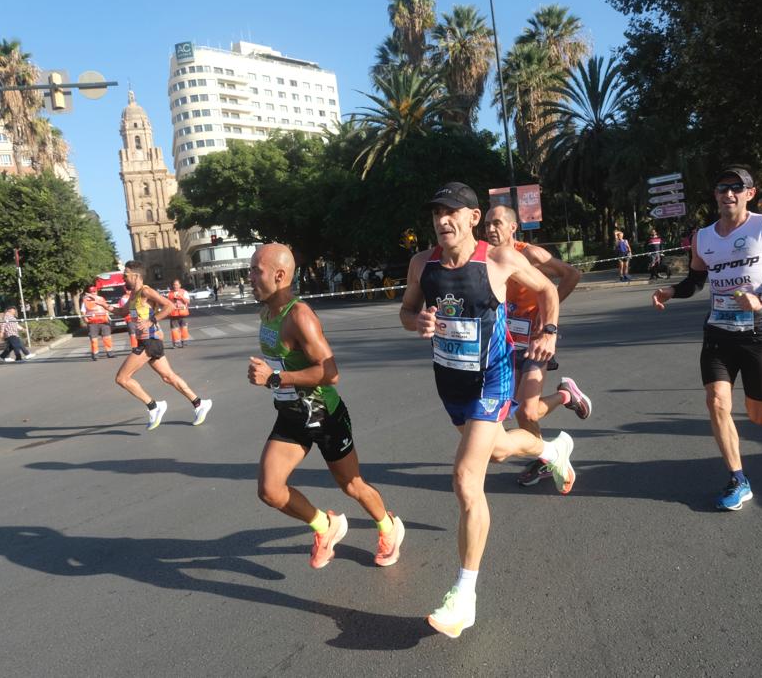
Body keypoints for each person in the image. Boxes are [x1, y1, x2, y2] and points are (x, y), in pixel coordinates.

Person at [400, 182, 574, 639]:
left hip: (492, 380)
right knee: (496, 451)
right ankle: (552, 451)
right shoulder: (423, 264)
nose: (442, 220)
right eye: (436, 213)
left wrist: (548, 331)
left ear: (473, 217)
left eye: (451, 212)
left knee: (465, 479)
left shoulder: (498, 260)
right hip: (450, 383)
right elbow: (406, 311)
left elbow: (549, 292)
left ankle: (464, 595)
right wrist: (415, 321)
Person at [651, 167, 762, 511]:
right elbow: (696, 281)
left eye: (736, 188)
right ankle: (738, 479)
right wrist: (671, 291)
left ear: (750, 194)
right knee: (717, 401)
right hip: (718, 331)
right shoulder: (703, 236)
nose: (728, 194)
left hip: (761, 332)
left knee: (761, 417)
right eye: (722, 188)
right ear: (715, 195)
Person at [246, 243, 405, 571]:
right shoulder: (266, 312)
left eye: (255, 271)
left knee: (352, 486)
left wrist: (275, 378)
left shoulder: (299, 316)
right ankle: (325, 525)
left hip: (325, 417)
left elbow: (330, 373)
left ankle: (389, 528)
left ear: (279, 276)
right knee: (270, 490)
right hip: (292, 416)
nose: (249, 277)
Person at [482, 204, 591, 488]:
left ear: (512, 227)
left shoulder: (531, 254)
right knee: (517, 409)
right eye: (486, 225)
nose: (490, 229)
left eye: (496, 223)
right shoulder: (485, 256)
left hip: (536, 341)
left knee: (526, 411)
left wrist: (546, 320)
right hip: (507, 342)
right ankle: (546, 459)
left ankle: (566, 396)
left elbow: (571, 275)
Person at [113, 260, 211, 431]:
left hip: (150, 341)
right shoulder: (133, 295)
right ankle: (199, 403)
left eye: (125, 275)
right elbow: (122, 312)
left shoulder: (146, 291)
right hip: (147, 341)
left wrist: (151, 321)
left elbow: (170, 306)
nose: (123, 278)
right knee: (168, 377)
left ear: (135, 275)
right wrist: (103, 305)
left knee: (122, 378)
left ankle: (154, 406)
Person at [81, 286, 116, 361]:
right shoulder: (85, 300)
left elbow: (106, 308)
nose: (93, 293)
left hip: (103, 321)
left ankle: (110, 352)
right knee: (94, 339)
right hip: (92, 322)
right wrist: (85, 319)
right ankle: (95, 354)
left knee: (107, 337)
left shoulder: (101, 298)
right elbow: (83, 311)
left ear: (96, 291)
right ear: (89, 292)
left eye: (94, 291)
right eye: (92, 292)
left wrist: (108, 316)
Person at [167, 279, 191, 348]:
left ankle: (184, 342)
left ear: (180, 285)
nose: (175, 286)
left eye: (176, 284)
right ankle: (176, 343)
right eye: (174, 285)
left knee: (184, 328)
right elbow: (167, 303)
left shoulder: (184, 292)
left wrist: (181, 297)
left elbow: (188, 301)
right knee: (174, 330)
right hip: (173, 314)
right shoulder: (170, 293)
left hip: (182, 314)